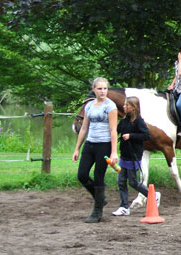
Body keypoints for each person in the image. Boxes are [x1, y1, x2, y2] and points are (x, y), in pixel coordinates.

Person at [72, 77, 119, 223]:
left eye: (105, 88)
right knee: (82, 175)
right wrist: (77, 148)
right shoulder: (89, 106)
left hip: (103, 145)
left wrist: (114, 152)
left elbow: (113, 130)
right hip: (90, 143)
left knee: (99, 177)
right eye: (99, 89)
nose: (103, 91)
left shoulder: (110, 106)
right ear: (94, 90)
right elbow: (84, 127)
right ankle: (100, 198)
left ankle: (97, 212)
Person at [112, 97, 160, 216]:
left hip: (133, 155)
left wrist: (131, 136)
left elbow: (146, 135)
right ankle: (124, 207)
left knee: (133, 182)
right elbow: (115, 132)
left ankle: (153, 195)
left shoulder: (138, 121)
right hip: (124, 155)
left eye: (127, 105)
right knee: (121, 181)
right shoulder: (123, 121)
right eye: (124, 105)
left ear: (134, 107)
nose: (124, 107)